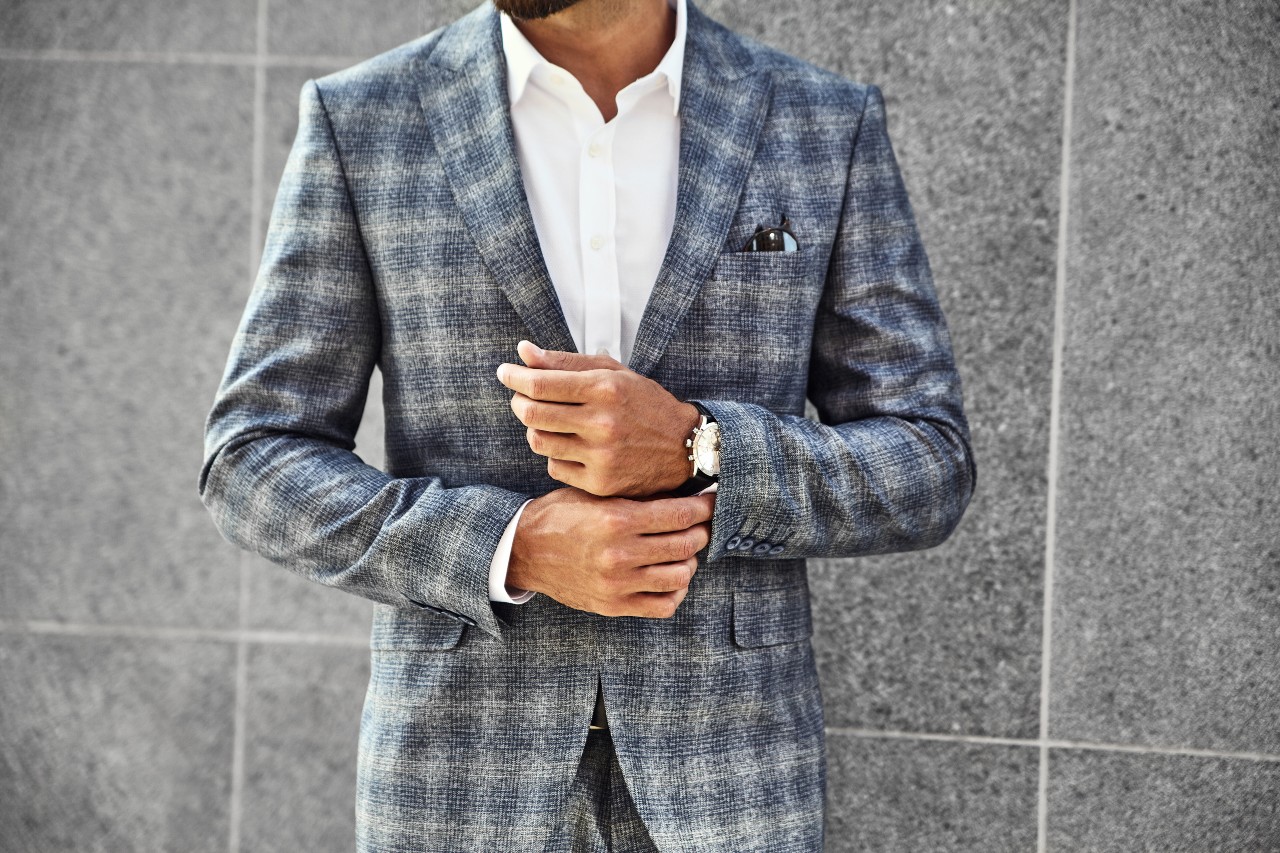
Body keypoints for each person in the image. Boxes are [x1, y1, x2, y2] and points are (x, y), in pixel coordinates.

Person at [199, 0, 976, 848]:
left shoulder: (819, 121)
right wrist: (510, 544)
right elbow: (251, 458)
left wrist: (701, 448)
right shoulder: (367, 120)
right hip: (457, 783)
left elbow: (928, 460)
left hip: (733, 781)